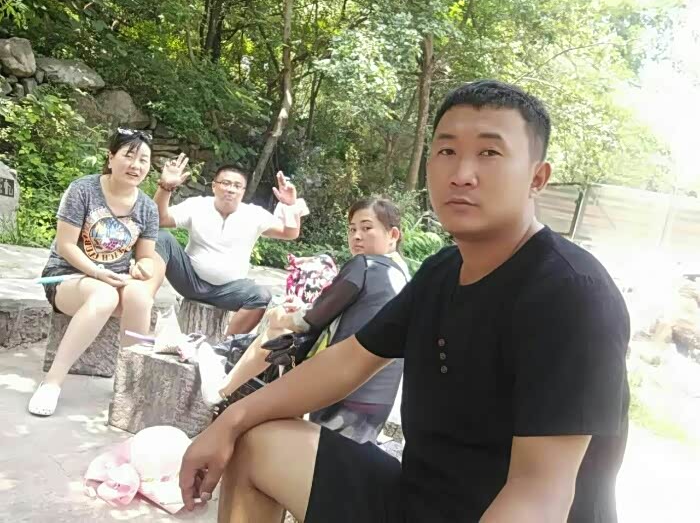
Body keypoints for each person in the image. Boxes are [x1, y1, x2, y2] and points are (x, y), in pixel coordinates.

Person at [179, 80, 631, 522]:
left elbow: (539, 494)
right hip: (418, 499)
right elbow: (348, 361)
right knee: (257, 444)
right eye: (447, 150)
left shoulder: (572, 294)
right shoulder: (442, 271)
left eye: (490, 153)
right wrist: (231, 419)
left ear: (537, 177)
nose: (462, 174)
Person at [198, 197, 410, 444]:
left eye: (366, 228)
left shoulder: (365, 265)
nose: (356, 236)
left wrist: (280, 315)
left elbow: (310, 320)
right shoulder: (405, 278)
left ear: (393, 234)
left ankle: (221, 390)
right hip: (376, 403)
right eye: (352, 229)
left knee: (277, 332)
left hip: (340, 390)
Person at [28, 128, 163, 417]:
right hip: (69, 276)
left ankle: (130, 385)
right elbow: (65, 245)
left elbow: (146, 257)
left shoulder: (148, 208)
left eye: (143, 160)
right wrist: (98, 273)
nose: (136, 165)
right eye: (128, 156)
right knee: (104, 297)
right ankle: (52, 382)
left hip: (116, 280)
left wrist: (143, 267)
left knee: (141, 298)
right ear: (110, 158)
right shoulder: (83, 190)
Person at [152, 163, 306, 335]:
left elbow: (290, 233)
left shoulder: (254, 214)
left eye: (237, 186)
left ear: (243, 191)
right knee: (161, 237)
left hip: (228, 291)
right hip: (189, 281)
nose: (231, 189)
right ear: (214, 186)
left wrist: (290, 205)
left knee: (260, 296)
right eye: (225, 183)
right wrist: (165, 187)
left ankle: (227, 344)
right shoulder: (197, 205)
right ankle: (145, 295)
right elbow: (159, 220)